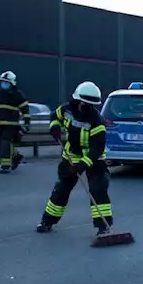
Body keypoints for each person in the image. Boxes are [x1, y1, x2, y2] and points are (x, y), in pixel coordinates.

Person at [36, 81, 112, 235]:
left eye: (92, 105)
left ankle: (103, 227)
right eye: (85, 104)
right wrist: (55, 128)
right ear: (77, 101)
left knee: (98, 191)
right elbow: (55, 116)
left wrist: (82, 165)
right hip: (70, 156)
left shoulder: (97, 122)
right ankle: (47, 221)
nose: (88, 108)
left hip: (93, 160)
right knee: (61, 190)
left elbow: (97, 148)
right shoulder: (66, 110)